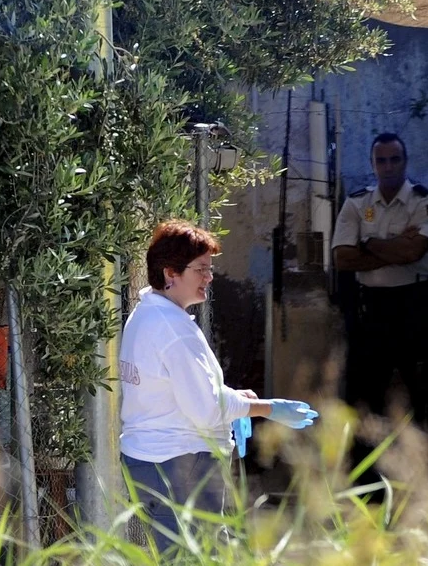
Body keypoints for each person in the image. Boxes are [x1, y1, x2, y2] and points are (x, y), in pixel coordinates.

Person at [119, 220, 318, 551]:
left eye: (209, 269)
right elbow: (208, 409)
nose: (209, 278)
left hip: (152, 463)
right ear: (171, 273)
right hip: (180, 466)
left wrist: (235, 399)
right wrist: (266, 408)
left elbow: (178, 391)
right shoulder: (173, 330)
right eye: (200, 269)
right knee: (199, 557)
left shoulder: (146, 315)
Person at [332, 133, 428, 424]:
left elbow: (414, 252)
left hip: (413, 306)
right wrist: (395, 246)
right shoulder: (357, 203)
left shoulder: (423, 201)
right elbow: (343, 259)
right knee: (363, 396)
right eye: (381, 160)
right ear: (373, 164)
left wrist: (367, 243)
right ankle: (363, 467)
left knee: (417, 394)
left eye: (395, 159)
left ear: (405, 161)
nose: (388, 166)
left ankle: (414, 466)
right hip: (372, 308)